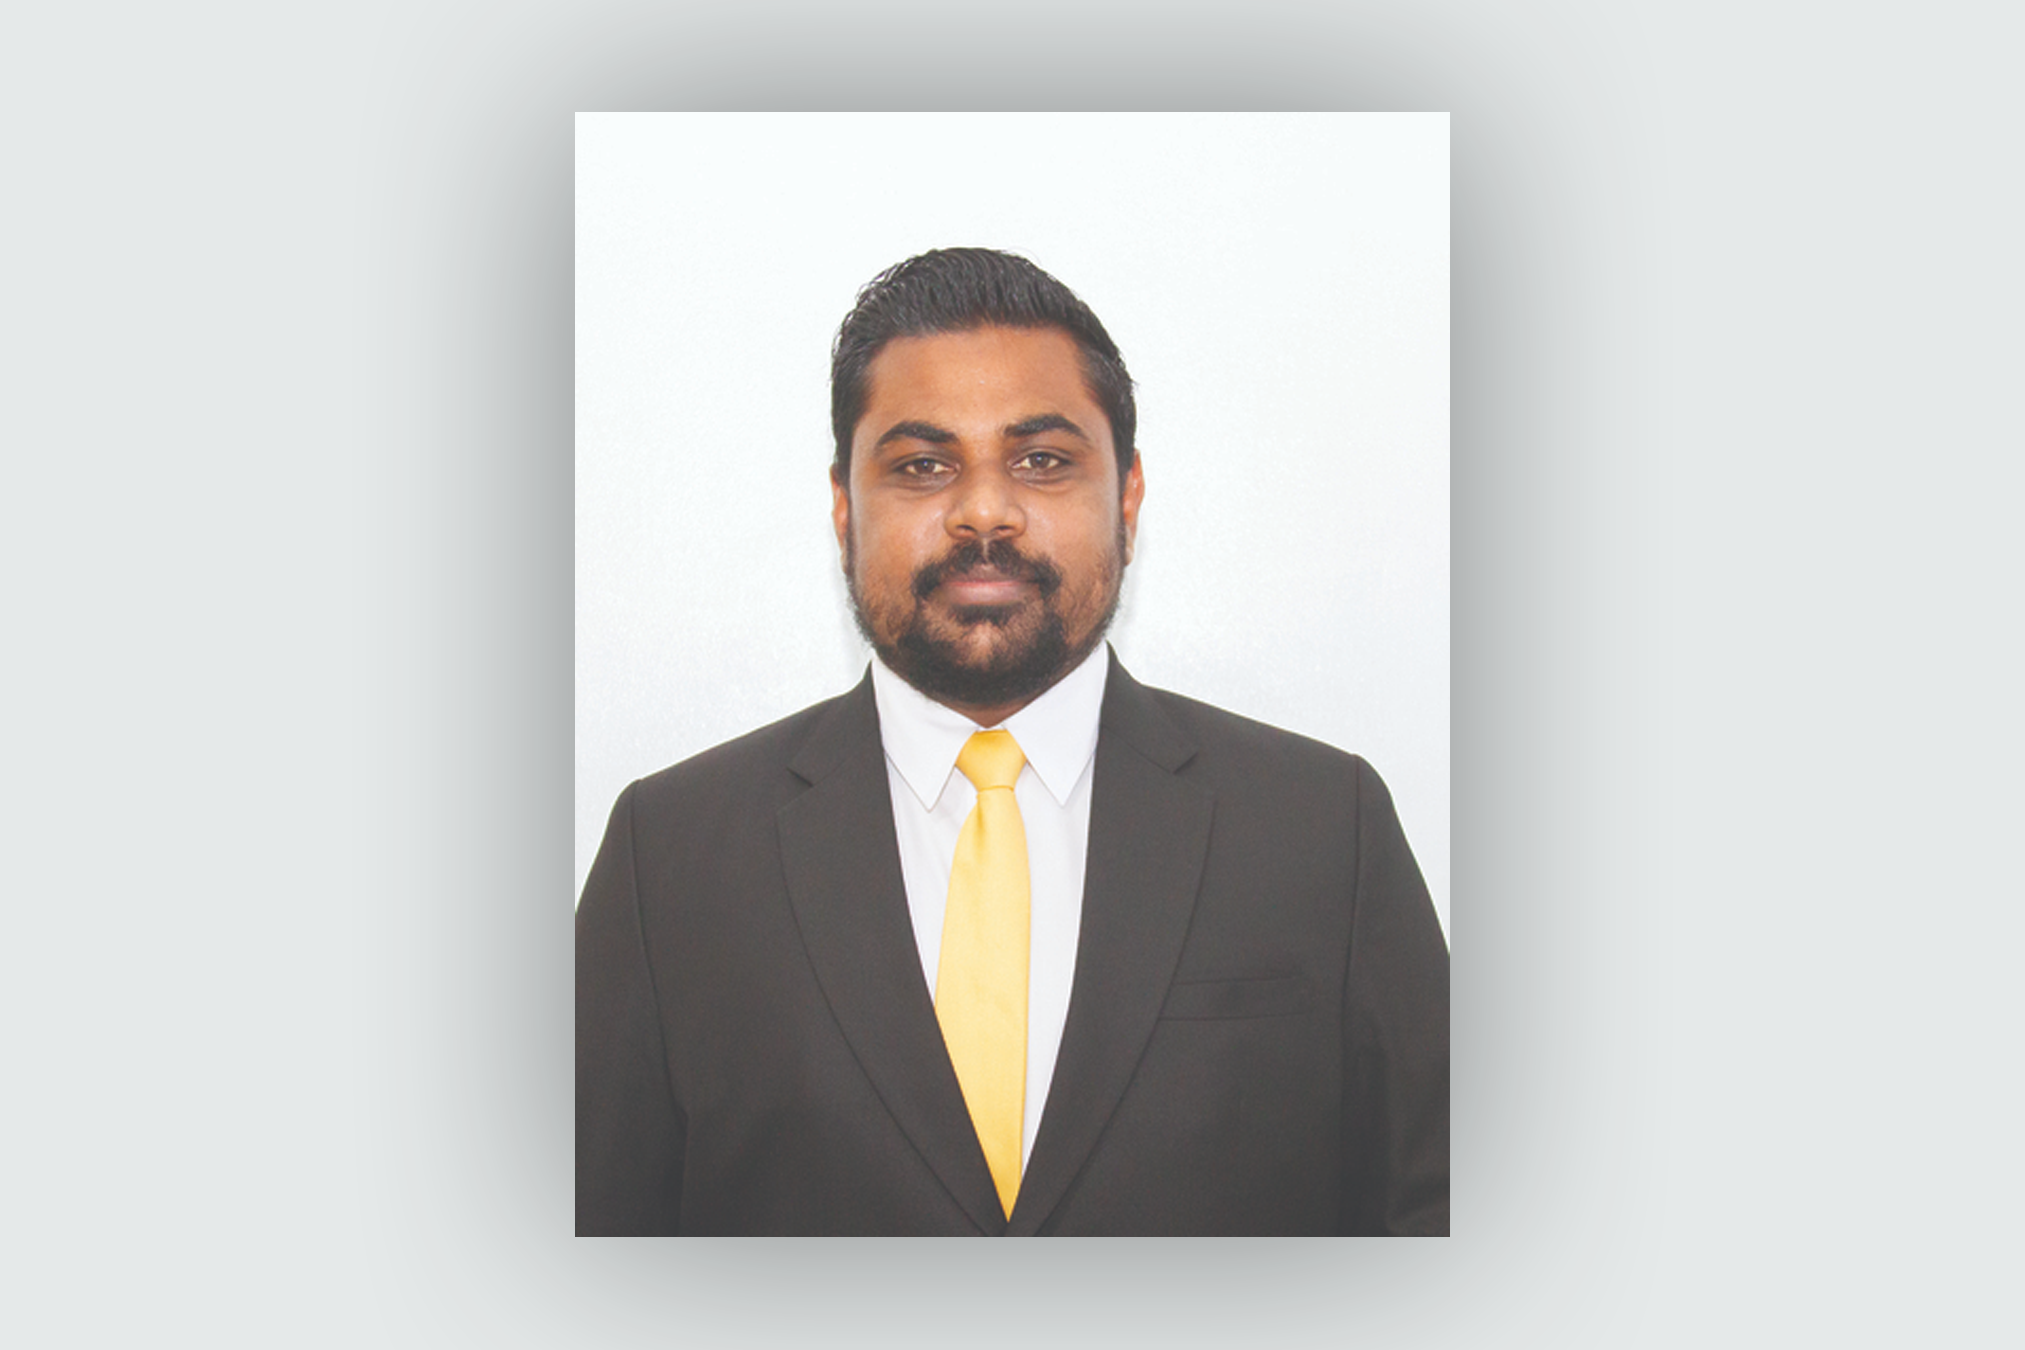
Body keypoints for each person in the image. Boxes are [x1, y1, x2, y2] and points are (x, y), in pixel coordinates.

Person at [576, 247, 1449, 1236]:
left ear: (1126, 497)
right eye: (922, 466)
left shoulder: (1325, 830)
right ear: (843, 507)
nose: (983, 511)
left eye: (1041, 461)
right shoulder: (668, 857)